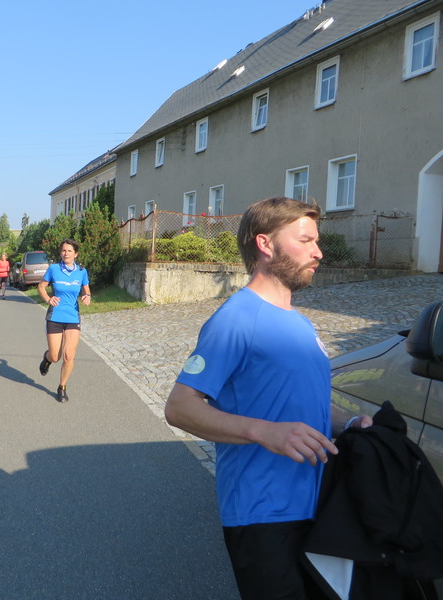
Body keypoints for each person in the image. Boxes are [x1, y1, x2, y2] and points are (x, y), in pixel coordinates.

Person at [164, 196, 371, 600]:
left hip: (318, 504)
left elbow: (300, 403)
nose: (318, 252)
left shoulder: (302, 324)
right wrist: (266, 432)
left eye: (316, 241)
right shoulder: (236, 319)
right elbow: (180, 407)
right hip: (262, 514)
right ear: (265, 244)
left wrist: (349, 423)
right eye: (305, 240)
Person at [37, 239, 91, 402]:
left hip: (72, 317)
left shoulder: (81, 271)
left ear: (76, 254)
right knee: (56, 356)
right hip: (55, 316)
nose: (66, 253)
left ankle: (62, 387)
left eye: (69, 251)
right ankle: (47, 359)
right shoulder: (53, 269)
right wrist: (48, 299)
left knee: (68, 356)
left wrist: (87, 296)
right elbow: (41, 286)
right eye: (63, 250)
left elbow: (86, 289)